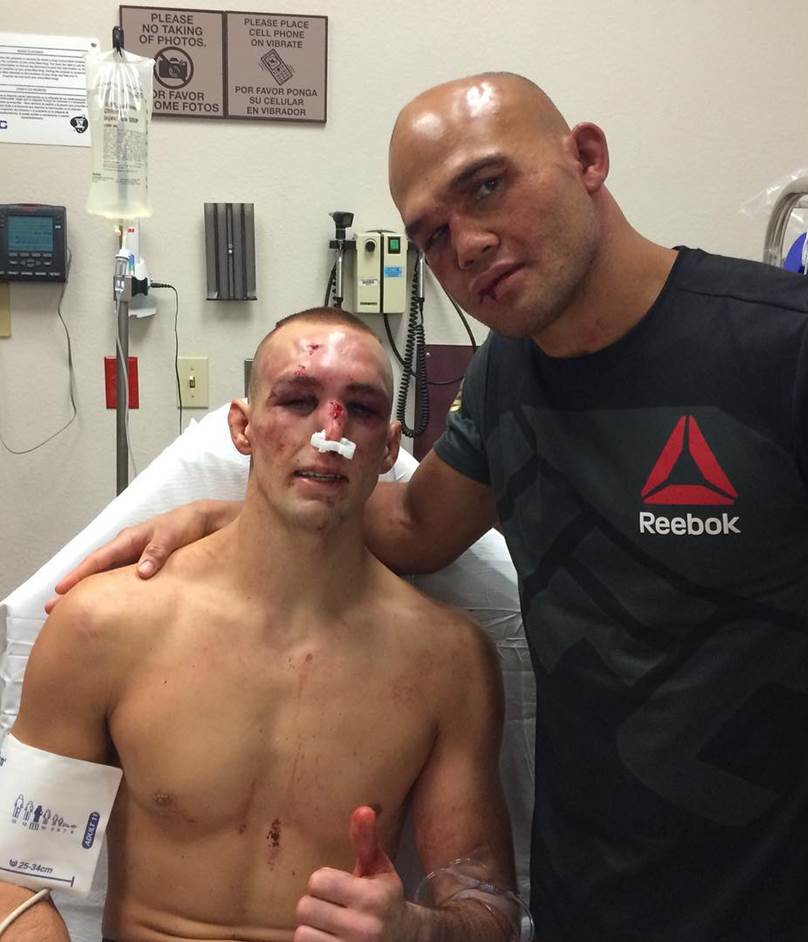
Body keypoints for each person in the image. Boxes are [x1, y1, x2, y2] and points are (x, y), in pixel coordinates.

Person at [51, 74, 808, 941]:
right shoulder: (508, 375)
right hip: (593, 903)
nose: (466, 244)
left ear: (586, 157)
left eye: (487, 186)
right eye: (432, 234)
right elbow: (411, 524)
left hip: (804, 903)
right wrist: (229, 517)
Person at [9, 308, 519, 942]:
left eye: (359, 410)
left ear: (388, 450)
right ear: (242, 428)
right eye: (298, 400)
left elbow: (488, 908)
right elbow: (16, 875)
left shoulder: (449, 663)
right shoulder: (104, 625)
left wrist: (412, 931)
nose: (329, 431)